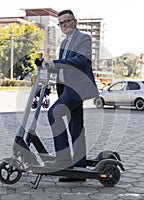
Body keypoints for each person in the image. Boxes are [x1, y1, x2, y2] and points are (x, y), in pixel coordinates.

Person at [42, 9, 98, 182]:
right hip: (67, 89)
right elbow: (62, 69)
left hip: (79, 88)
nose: (64, 25)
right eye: (60, 23)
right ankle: (79, 170)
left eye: (67, 21)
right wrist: (48, 79)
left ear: (75, 21)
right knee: (76, 127)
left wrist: (55, 63)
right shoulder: (64, 43)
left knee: (54, 113)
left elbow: (80, 61)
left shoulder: (84, 39)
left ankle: (63, 159)